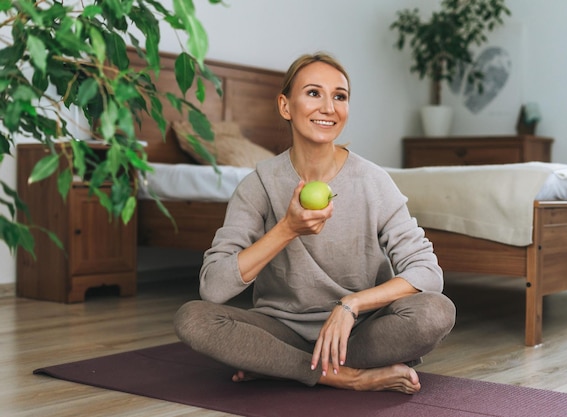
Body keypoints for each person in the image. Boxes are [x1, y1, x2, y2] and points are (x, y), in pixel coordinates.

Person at [174, 52, 456, 394]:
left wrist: (351, 305)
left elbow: (427, 272)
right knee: (192, 318)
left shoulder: (373, 181)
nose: (328, 107)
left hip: (358, 330)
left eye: (340, 96)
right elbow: (213, 288)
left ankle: (277, 365)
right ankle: (344, 376)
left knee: (436, 312)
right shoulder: (259, 184)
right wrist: (287, 229)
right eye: (313, 93)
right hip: (282, 329)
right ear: (285, 106)